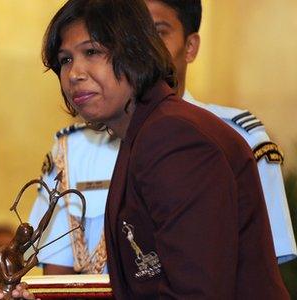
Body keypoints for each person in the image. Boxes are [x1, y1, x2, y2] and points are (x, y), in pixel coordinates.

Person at [39, 0, 288, 298]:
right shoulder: (147, 130)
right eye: (65, 60)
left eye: (92, 52)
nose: (74, 73)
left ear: (137, 53)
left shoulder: (174, 136)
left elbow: (195, 292)